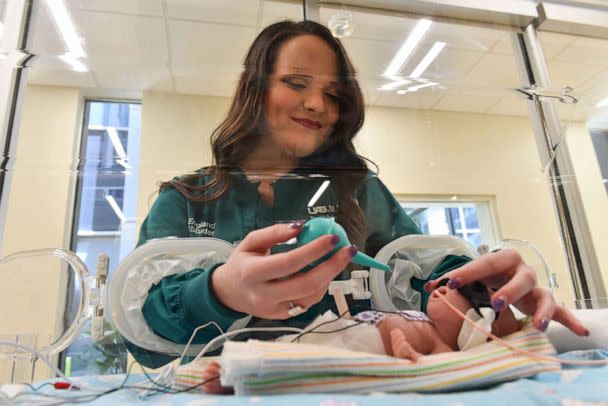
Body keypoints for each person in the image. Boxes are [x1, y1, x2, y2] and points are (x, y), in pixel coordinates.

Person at [125, 19, 588, 369]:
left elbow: (424, 269)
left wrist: (482, 288)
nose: (317, 106)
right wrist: (219, 291)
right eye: (297, 83)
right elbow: (143, 335)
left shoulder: (358, 192)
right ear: (254, 87)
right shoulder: (188, 200)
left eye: (333, 95)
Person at [199, 279, 522, 394]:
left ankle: (238, 377)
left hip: (355, 346)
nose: (439, 290)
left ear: (472, 324)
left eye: (456, 295)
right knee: (292, 344)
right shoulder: (426, 320)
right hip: (346, 330)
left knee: (299, 360)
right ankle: (242, 360)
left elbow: (428, 368)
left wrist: (406, 350)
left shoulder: (444, 345)